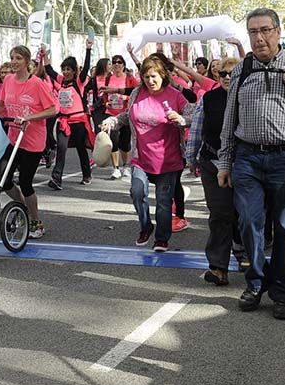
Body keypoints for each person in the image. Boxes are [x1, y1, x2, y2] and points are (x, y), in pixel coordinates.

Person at [217, 8, 285, 320]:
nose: (259, 38)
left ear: (278, 31)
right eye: (253, 32)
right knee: (249, 222)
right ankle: (255, 282)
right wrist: (225, 162)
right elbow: (229, 118)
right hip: (247, 159)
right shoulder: (242, 69)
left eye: (265, 30)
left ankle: (281, 292)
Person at [101, 55, 190, 251]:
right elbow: (127, 115)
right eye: (147, 77)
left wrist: (183, 119)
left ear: (163, 76)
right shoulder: (136, 93)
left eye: (154, 76)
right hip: (141, 157)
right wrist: (114, 121)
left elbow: (193, 113)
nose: (150, 80)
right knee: (137, 191)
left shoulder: (174, 95)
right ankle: (146, 226)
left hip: (168, 159)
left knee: (164, 203)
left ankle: (161, 239)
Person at [0, 45, 58, 238]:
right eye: (12, 57)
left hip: (32, 141)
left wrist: (30, 118)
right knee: (3, 176)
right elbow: (2, 104)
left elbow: (53, 109)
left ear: (27, 62)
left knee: (26, 183)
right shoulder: (8, 80)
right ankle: (22, 209)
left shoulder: (37, 84)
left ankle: (35, 221)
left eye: (18, 58)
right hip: (13, 138)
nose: (14, 61)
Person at [186, 57, 241, 285]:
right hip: (212, 162)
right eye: (222, 74)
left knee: (244, 215)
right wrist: (191, 157)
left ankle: (246, 255)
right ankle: (218, 267)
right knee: (219, 214)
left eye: (232, 74)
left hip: (244, 166)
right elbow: (197, 128)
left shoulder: (249, 97)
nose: (227, 77)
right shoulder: (208, 99)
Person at [45, 39, 94, 189]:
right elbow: (49, 71)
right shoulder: (61, 81)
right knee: (61, 148)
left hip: (78, 121)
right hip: (64, 121)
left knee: (80, 148)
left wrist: (88, 49)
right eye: (64, 69)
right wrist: (44, 55)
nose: (65, 72)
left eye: (68, 69)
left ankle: (86, 174)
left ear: (74, 71)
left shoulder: (79, 81)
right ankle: (56, 178)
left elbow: (86, 68)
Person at [99, 54, 140, 180]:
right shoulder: (108, 78)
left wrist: (126, 98)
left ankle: (126, 166)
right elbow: (103, 93)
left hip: (126, 114)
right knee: (113, 140)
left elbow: (136, 92)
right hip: (111, 113)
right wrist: (105, 102)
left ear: (123, 65)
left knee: (125, 142)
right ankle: (115, 168)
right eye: (114, 62)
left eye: (119, 62)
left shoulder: (130, 78)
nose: (117, 64)